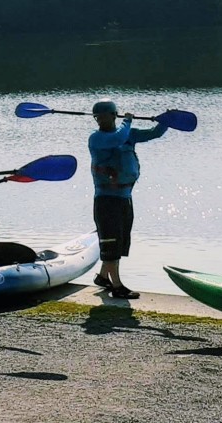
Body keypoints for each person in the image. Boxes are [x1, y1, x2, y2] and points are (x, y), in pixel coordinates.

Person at [88, 98, 169, 300]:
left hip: (125, 197)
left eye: (103, 116)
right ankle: (117, 287)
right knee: (111, 241)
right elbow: (117, 139)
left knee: (119, 241)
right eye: (97, 117)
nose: (100, 121)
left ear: (113, 115)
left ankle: (103, 277)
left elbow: (154, 133)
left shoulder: (128, 134)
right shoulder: (97, 139)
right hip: (106, 200)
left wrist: (167, 120)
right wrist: (128, 121)